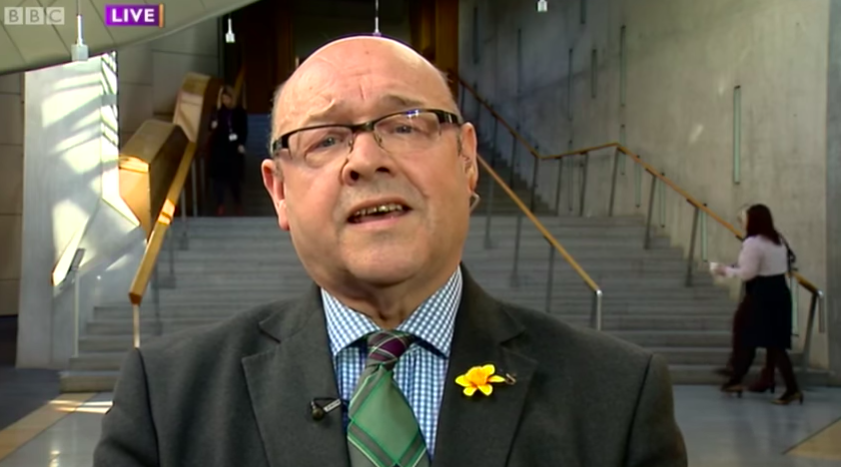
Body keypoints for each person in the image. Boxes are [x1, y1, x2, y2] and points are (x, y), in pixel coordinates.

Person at [93, 36, 687, 466]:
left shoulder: (617, 396)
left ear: (467, 160)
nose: (366, 159)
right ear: (279, 192)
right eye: (325, 139)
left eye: (404, 124)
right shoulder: (167, 401)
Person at [711, 204, 802, 405]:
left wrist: (724, 270)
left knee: (753, 336)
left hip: (762, 294)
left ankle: (789, 387)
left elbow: (747, 273)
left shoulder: (753, 243)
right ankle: (739, 377)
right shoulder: (778, 240)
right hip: (780, 292)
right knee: (770, 342)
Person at [208, 85, 248, 216]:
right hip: (219, 149)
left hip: (233, 149)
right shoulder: (217, 112)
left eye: (227, 98)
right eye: (223, 99)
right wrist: (213, 126)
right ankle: (220, 205)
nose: (225, 101)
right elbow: (210, 128)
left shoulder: (239, 112)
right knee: (218, 180)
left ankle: (238, 204)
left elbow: (243, 129)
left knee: (234, 179)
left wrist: (241, 143)